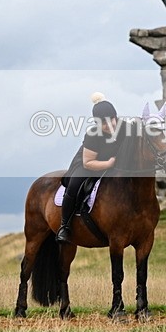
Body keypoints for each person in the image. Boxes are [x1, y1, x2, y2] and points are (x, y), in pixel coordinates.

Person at [56, 93, 121, 243]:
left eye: (112, 120)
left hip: (113, 164)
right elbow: (88, 162)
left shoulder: (124, 128)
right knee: (74, 185)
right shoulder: (93, 134)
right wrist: (109, 164)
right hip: (88, 164)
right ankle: (64, 226)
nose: (109, 125)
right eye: (103, 123)